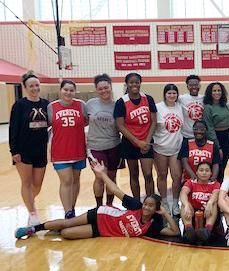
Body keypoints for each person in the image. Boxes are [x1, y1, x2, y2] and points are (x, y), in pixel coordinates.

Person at [15, 160, 179, 239]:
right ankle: (34, 229)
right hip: (102, 214)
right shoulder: (136, 205)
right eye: (146, 204)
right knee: (67, 223)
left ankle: (55, 228)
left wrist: (165, 213)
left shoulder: (152, 226)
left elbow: (175, 232)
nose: (146, 207)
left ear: (156, 209)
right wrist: (102, 174)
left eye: (151, 206)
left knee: (66, 234)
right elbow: (115, 190)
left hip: (102, 231)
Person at [9, 72, 49, 226]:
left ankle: (30, 205)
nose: (35, 88)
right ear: (25, 88)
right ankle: (32, 214)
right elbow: (13, 128)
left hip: (40, 150)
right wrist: (14, 151)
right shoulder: (19, 105)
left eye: (37, 85)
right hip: (23, 151)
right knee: (26, 183)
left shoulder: (46, 104)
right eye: (31, 86)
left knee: (37, 185)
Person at [48, 79, 87, 219]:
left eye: (71, 90)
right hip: (60, 151)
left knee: (76, 180)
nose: (68, 92)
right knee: (66, 181)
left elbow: (85, 121)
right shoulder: (51, 107)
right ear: (60, 90)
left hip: (78, 150)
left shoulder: (81, 105)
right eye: (66, 89)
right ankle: (67, 212)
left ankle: (72, 209)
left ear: (75, 91)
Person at [114, 73, 157, 198]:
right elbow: (120, 126)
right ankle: (136, 204)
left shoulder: (148, 99)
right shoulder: (121, 102)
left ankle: (151, 203)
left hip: (147, 140)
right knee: (134, 174)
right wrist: (137, 142)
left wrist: (147, 142)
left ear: (140, 83)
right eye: (131, 82)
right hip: (130, 142)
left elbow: (153, 121)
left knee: (148, 175)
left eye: (137, 82)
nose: (134, 85)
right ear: (127, 84)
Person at [86, 74, 121, 207]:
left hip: (114, 146)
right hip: (95, 147)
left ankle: (110, 205)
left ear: (110, 87)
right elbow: (83, 121)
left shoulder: (117, 105)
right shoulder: (90, 104)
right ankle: (99, 207)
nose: (103, 91)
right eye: (100, 89)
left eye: (106, 87)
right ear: (96, 90)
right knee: (100, 177)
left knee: (111, 177)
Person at [153, 84, 184, 216]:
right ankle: (164, 202)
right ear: (165, 94)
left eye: (174, 93)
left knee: (177, 177)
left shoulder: (180, 107)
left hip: (176, 148)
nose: (172, 96)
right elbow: (152, 126)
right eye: (169, 93)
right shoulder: (158, 107)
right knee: (162, 175)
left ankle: (176, 203)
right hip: (160, 148)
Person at [180, 162, 220, 244]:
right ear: (196, 172)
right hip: (192, 213)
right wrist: (187, 204)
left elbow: (216, 194)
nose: (204, 173)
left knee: (214, 204)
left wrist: (209, 203)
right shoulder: (191, 182)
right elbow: (183, 193)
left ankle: (207, 231)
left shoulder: (215, 183)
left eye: (207, 170)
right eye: (201, 170)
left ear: (211, 173)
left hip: (208, 213)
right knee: (185, 203)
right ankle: (189, 230)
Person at [203, 82, 229, 181]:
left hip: (226, 136)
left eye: (219, 90)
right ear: (210, 93)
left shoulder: (225, 105)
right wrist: (217, 146)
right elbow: (209, 127)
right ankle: (212, 189)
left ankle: (220, 189)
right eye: (214, 91)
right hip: (215, 137)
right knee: (216, 165)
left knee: (223, 165)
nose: (217, 93)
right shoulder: (208, 107)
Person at [178, 75, 204, 139]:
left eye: (196, 84)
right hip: (186, 135)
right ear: (187, 86)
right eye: (191, 85)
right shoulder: (181, 98)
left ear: (200, 85)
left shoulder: (204, 98)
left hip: (201, 135)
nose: (194, 87)